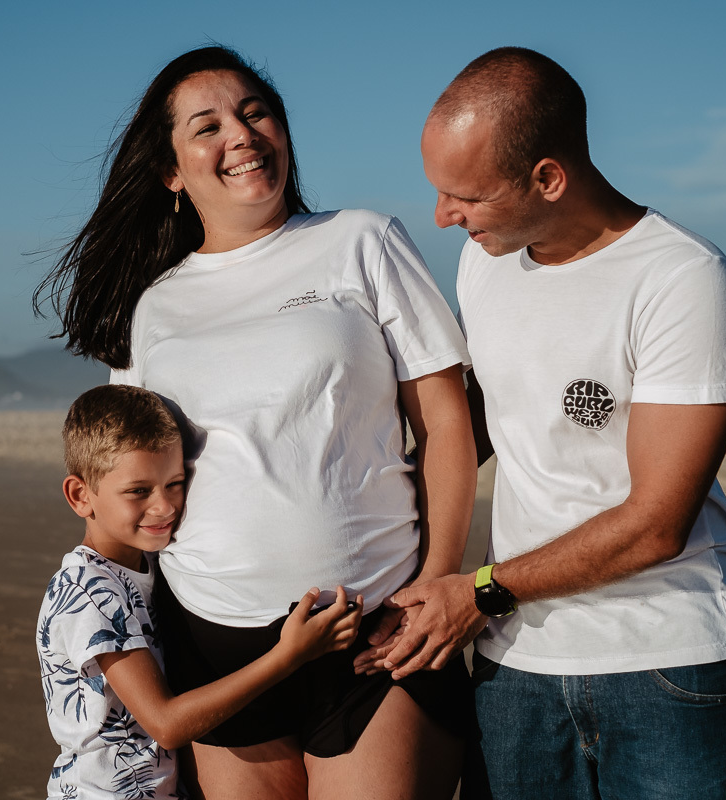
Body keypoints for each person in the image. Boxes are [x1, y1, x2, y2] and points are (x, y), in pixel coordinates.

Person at [35, 46, 477, 800]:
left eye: (254, 112)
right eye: (207, 126)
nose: (240, 135)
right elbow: (128, 472)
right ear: (172, 171)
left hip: (373, 631)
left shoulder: (361, 240)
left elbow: (444, 421)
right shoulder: (156, 305)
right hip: (213, 647)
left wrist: (437, 584)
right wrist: (91, 593)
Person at [353, 46, 726, 798]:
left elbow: (657, 523)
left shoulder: (682, 280)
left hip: (664, 664)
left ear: (548, 177)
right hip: (517, 668)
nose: (444, 217)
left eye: (465, 196)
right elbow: (473, 431)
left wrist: (475, 592)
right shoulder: (487, 260)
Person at [38, 384, 362, 800]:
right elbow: (165, 723)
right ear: (80, 496)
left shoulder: (149, 565)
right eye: (139, 491)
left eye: (175, 483)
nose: (164, 506)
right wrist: (289, 655)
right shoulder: (89, 592)